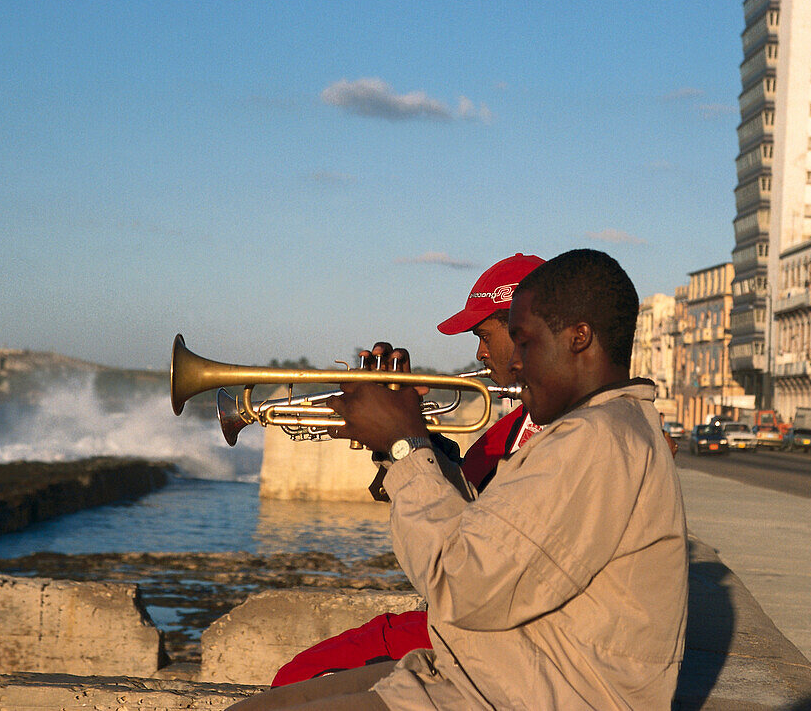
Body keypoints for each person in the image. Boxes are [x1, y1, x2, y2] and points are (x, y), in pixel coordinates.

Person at [233, 249, 688, 710]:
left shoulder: (595, 439)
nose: (512, 362)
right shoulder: (599, 427)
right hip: (496, 671)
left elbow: (460, 585)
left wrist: (406, 446)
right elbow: (483, 535)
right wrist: (408, 444)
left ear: (578, 338)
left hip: (521, 691)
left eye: (522, 341)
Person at [269, 253, 545, 688]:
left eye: (485, 334)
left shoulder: (565, 437)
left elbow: (465, 571)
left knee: (300, 681)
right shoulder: (515, 426)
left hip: (496, 638)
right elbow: (467, 512)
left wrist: (404, 444)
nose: (479, 352)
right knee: (296, 676)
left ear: (525, 327)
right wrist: (409, 437)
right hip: (469, 622)